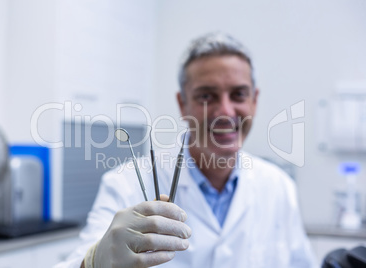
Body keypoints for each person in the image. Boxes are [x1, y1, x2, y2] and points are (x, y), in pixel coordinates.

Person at [55, 32, 317, 268]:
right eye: (207, 96)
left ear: (254, 101)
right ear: (183, 104)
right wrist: (92, 262)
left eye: (238, 94)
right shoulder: (127, 183)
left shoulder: (279, 188)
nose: (225, 112)